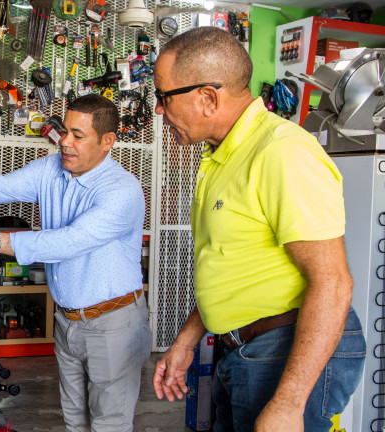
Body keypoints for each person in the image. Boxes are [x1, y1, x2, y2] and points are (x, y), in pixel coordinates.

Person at [151, 27, 365, 432]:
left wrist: (288, 404)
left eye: (164, 97)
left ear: (208, 97)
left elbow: (333, 283)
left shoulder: (282, 153)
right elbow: (231, 268)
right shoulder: (223, 155)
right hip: (244, 349)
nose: (160, 110)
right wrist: (185, 341)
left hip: (283, 351)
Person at [0, 94, 151, 431]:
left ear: (107, 141)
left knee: (109, 424)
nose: (64, 142)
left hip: (113, 324)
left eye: (78, 136)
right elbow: (0, 187)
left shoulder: (122, 191)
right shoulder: (53, 169)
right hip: (68, 321)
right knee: (75, 420)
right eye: (64, 131)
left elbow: (67, 242)